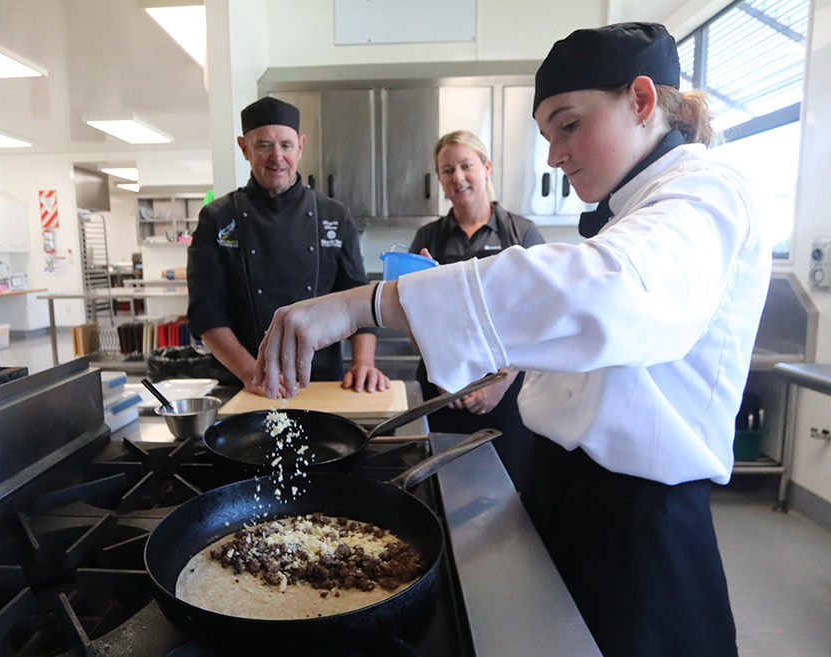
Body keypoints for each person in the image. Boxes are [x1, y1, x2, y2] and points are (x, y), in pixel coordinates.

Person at [253, 22, 771, 657]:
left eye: (568, 124)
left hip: (638, 526)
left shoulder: (705, 190)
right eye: (547, 134)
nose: (554, 155)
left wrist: (365, 304)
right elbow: (572, 338)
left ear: (641, 101)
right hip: (566, 487)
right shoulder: (635, 204)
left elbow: (606, 295)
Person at [187, 96, 388, 396]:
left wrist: (363, 363)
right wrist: (252, 374)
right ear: (244, 148)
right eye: (264, 145)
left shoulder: (334, 215)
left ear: (301, 146)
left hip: (320, 383)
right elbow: (207, 312)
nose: (276, 157)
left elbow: (359, 297)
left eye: (286, 145)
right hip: (244, 384)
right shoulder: (218, 218)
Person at [409, 129, 544, 489]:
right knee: (446, 488)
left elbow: (539, 319)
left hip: (507, 389)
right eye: (447, 170)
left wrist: (500, 383)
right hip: (442, 392)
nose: (458, 177)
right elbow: (414, 315)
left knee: (508, 492)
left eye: (466, 165)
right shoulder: (427, 239)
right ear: (439, 179)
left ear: (485, 167)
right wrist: (442, 378)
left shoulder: (523, 234)